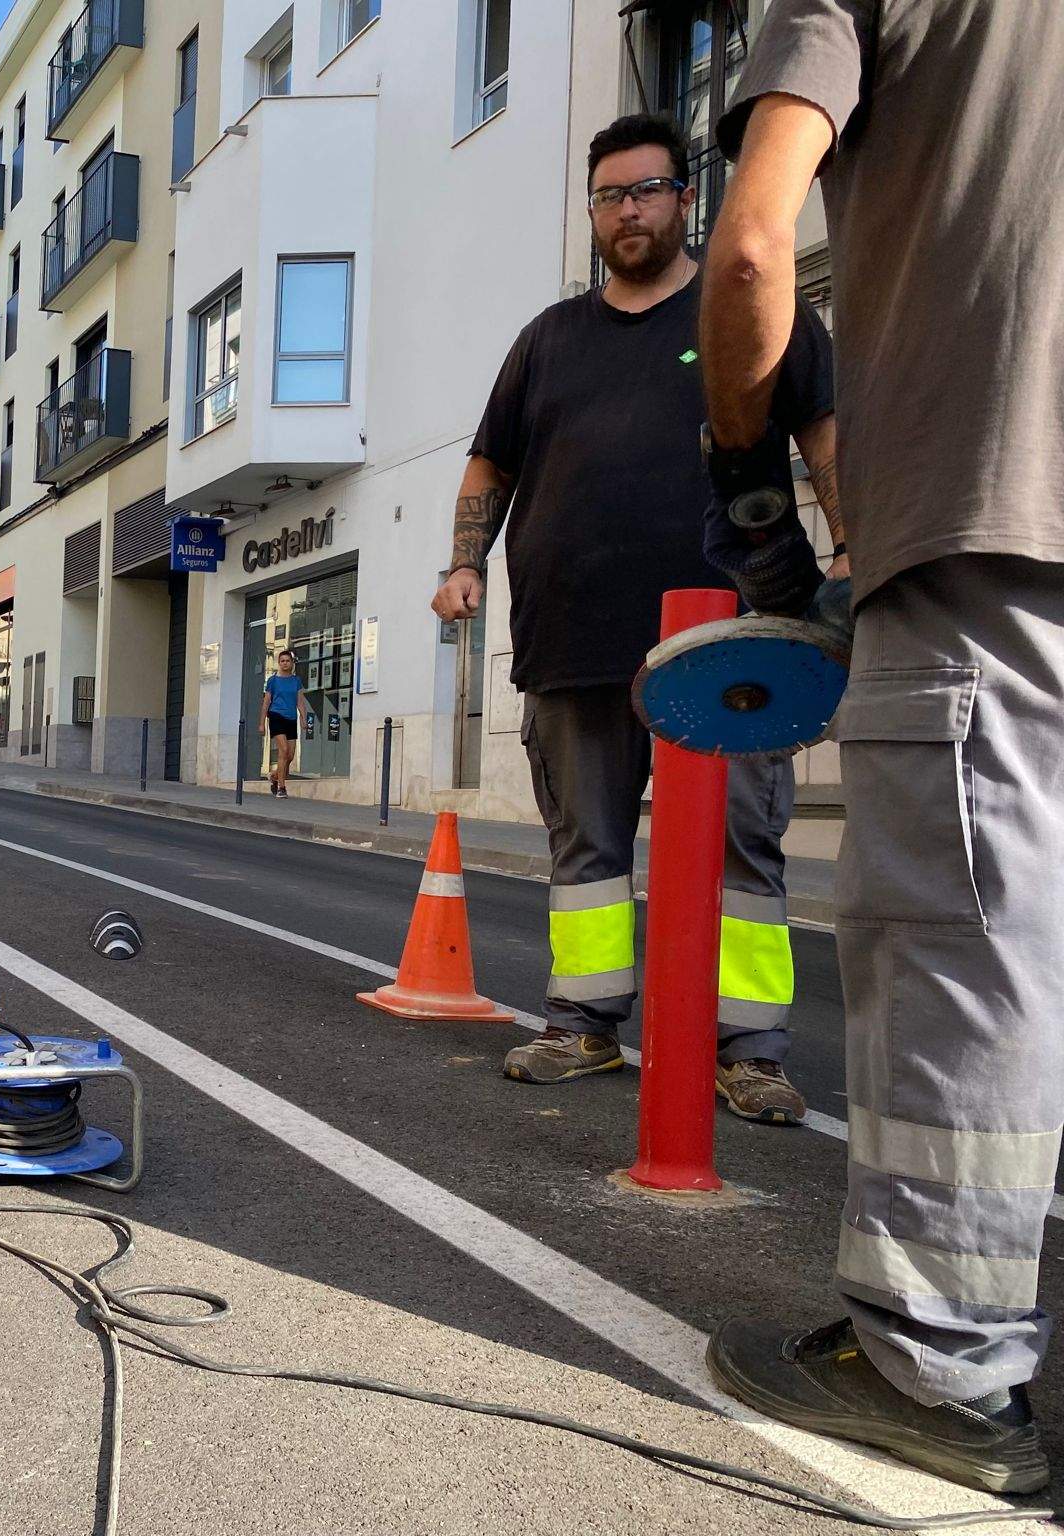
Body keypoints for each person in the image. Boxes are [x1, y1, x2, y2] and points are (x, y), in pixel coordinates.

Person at [698, 3, 1064, 1494]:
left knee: (966, 939)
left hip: (996, 521)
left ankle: (937, 1365)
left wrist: (749, 486)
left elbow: (749, 250)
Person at [430, 113, 838, 1124]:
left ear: (684, 196)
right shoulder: (548, 340)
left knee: (745, 848)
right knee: (586, 855)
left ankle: (746, 1049)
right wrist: (461, 563)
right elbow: (490, 463)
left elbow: (824, 431)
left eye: (645, 190)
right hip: (573, 638)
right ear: (590, 211)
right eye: (608, 196)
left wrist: (856, 547)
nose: (626, 211)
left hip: (731, 640)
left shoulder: (748, 309)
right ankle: (582, 1025)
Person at [259, 650, 307, 798]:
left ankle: (274, 776)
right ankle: (281, 788)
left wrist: (303, 718)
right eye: (282, 661)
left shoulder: (296, 681)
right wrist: (262, 723)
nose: (285, 663)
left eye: (288, 661)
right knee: (284, 750)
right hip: (276, 716)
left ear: (292, 663)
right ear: (279, 663)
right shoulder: (273, 681)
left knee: (290, 756)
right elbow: (266, 702)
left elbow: (300, 701)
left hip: (291, 718)